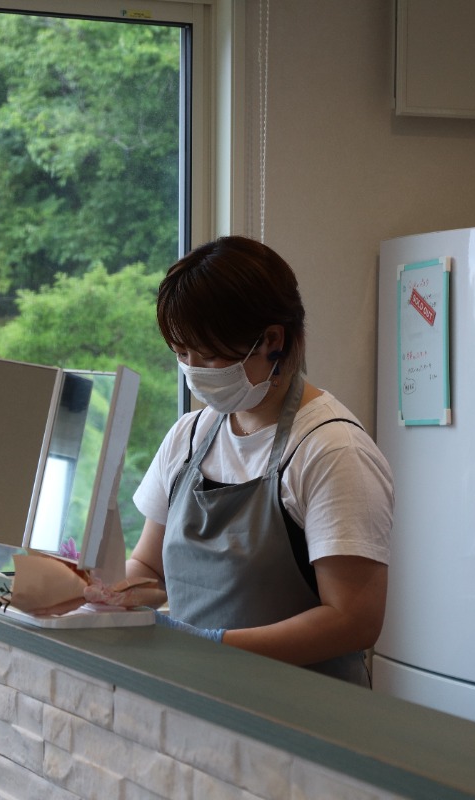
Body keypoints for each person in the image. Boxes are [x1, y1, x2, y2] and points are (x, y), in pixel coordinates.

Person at [127, 235, 393, 686]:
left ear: (272, 340)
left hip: (303, 719)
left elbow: (353, 620)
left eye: (207, 354)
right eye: (181, 354)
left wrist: (215, 648)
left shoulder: (331, 450)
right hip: (204, 698)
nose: (193, 370)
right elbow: (149, 570)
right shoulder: (189, 437)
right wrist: (100, 599)